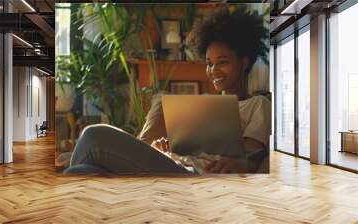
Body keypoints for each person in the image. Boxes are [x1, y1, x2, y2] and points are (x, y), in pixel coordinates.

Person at [64, 4, 270, 175]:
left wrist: (244, 163)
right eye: (209, 63)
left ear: (244, 62)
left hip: (195, 177)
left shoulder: (257, 104)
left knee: (93, 135)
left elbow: (252, 155)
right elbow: (187, 149)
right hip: (174, 164)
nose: (214, 70)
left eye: (222, 62)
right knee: (79, 171)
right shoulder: (203, 104)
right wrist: (163, 148)